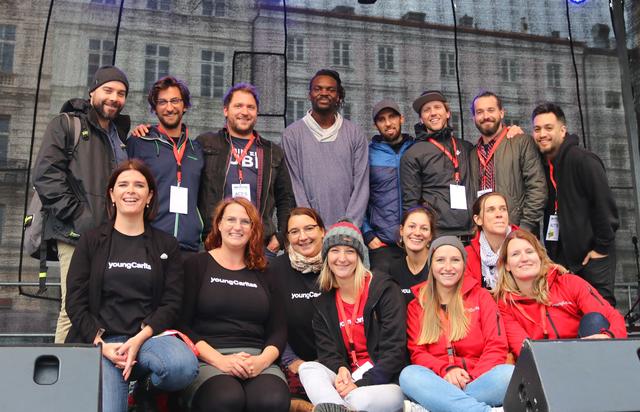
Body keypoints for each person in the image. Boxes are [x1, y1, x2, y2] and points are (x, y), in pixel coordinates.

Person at [65, 159, 198, 412]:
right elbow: (75, 300)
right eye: (123, 184)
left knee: (182, 367)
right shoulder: (91, 241)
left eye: (139, 185)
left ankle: (145, 389)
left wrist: (140, 338)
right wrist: (101, 344)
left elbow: (172, 303)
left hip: (148, 338)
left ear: (149, 196)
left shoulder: (166, 245)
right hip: (106, 342)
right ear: (112, 194)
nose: (131, 190)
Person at [34, 65, 131, 343]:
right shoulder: (66, 124)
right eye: (108, 90)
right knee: (72, 308)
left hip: (110, 236)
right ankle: (62, 380)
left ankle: (94, 376)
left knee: (101, 307)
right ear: (93, 93)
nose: (114, 98)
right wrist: (79, 216)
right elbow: (46, 176)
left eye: (121, 93)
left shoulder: (120, 136)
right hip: (73, 233)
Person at [179, 197, 289, 412]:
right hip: (209, 359)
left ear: (253, 229)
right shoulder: (196, 265)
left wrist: (262, 361)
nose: (237, 227)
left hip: (256, 360)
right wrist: (221, 360)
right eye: (230, 219)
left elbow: (279, 329)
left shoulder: (266, 272)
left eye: (245, 222)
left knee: (272, 400)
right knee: (226, 398)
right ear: (219, 225)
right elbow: (183, 324)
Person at [298, 219, 406, 412]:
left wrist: (360, 384)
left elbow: (394, 351)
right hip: (348, 377)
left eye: (349, 251)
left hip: (385, 382)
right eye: (335, 250)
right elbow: (327, 352)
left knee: (358, 399)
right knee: (307, 369)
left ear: (360, 256)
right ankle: (338, 408)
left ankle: (337, 407)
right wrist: (340, 369)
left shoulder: (384, 289)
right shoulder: (323, 301)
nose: (342, 258)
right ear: (326, 256)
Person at [400, 236, 513, 412]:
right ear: (431, 265)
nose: (448, 267)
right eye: (440, 260)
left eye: (455, 260)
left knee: (508, 374)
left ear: (464, 264)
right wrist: (446, 370)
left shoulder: (481, 297)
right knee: (409, 375)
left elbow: (496, 346)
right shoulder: (417, 305)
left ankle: (435, 406)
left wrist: (471, 378)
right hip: (438, 380)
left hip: (478, 380)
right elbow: (418, 353)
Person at [532, 102, 619, 306]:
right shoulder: (545, 166)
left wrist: (601, 248)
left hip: (593, 257)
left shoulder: (583, 160)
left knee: (599, 316)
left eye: (548, 128)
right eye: (537, 129)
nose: (542, 134)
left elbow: (605, 207)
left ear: (563, 130)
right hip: (564, 262)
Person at [493, 229, 627, 358]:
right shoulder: (504, 304)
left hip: (585, 356)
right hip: (543, 365)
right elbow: (523, 348)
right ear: (507, 265)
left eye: (529, 251)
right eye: (515, 254)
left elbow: (612, 316)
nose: (524, 258)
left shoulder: (569, 283)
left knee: (595, 320)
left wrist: (609, 336)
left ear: (540, 257)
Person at [197, 83, 294, 255]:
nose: (245, 112)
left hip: (260, 245)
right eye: (238, 106)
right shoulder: (206, 144)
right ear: (226, 110)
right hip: (215, 242)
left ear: (256, 113)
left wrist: (280, 237)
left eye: (251, 107)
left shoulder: (273, 152)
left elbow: (286, 199)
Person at [127, 76, 204, 254]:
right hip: (148, 244)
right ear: (155, 108)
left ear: (185, 105)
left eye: (175, 101)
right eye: (162, 102)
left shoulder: (197, 150)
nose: (169, 108)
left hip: (188, 247)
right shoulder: (140, 142)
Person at [282, 69, 369, 227]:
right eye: (318, 89)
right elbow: (295, 185)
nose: (324, 93)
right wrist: (311, 226)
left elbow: (361, 185)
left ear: (338, 96)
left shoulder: (355, 133)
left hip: (347, 233)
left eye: (331, 90)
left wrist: (349, 225)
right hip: (308, 233)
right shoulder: (292, 135)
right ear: (310, 94)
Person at [270, 207, 325, 407]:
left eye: (309, 228)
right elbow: (272, 323)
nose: (303, 237)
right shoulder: (276, 270)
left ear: (322, 231)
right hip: (294, 364)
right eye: (294, 232)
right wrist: (291, 360)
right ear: (287, 238)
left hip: (338, 361)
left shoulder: (338, 263)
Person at [469, 91, 546, 232]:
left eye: (491, 110)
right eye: (480, 112)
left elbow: (537, 188)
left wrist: (524, 228)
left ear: (502, 113)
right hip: (483, 234)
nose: (486, 116)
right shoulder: (472, 153)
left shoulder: (521, 142)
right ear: (474, 118)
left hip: (516, 230)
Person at [400, 90, 474, 238]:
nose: (433, 113)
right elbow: (411, 204)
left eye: (437, 107)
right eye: (426, 110)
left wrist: (510, 131)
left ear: (448, 113)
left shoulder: (466, 148)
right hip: (438, 236)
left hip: (471, 234)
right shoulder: (413, 153)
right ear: (421, 119)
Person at [363, 98, 414, 271]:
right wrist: (368, 233)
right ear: (375, 125)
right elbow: (357, 194)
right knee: (384, 295)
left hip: (416, 241)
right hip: (382, 243)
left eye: (392, 117)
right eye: (381, 119)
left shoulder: (416, 149)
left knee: (418, 296)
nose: (388, 123)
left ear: (402, 119)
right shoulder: (367, 155)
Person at [465, 192, 518, 290]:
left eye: (503, 209)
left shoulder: (525, 246)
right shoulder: (467, 255)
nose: (499, 214)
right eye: (491, 210)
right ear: (478, 219)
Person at [387, 205, 436, 304]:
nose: (417, 233)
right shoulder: (393, 270)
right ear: (401, 230)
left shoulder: (438, 266)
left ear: (430, 235)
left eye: (424, 228)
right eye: (412, 226)